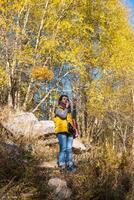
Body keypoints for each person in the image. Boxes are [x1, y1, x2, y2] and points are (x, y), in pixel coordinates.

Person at [54, 95, 77, 172]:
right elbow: (63, 116)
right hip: (61, 131)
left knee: (69, 149)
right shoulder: (57, 110)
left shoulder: (68, 112)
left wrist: (74, 105)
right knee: (63, 148)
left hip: (70, 132)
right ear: (60, 101)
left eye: (67, 99)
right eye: (63, 99)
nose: (65, 100)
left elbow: (74, 118)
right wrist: (67, 108)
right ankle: (62, 165)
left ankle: (70, 165)